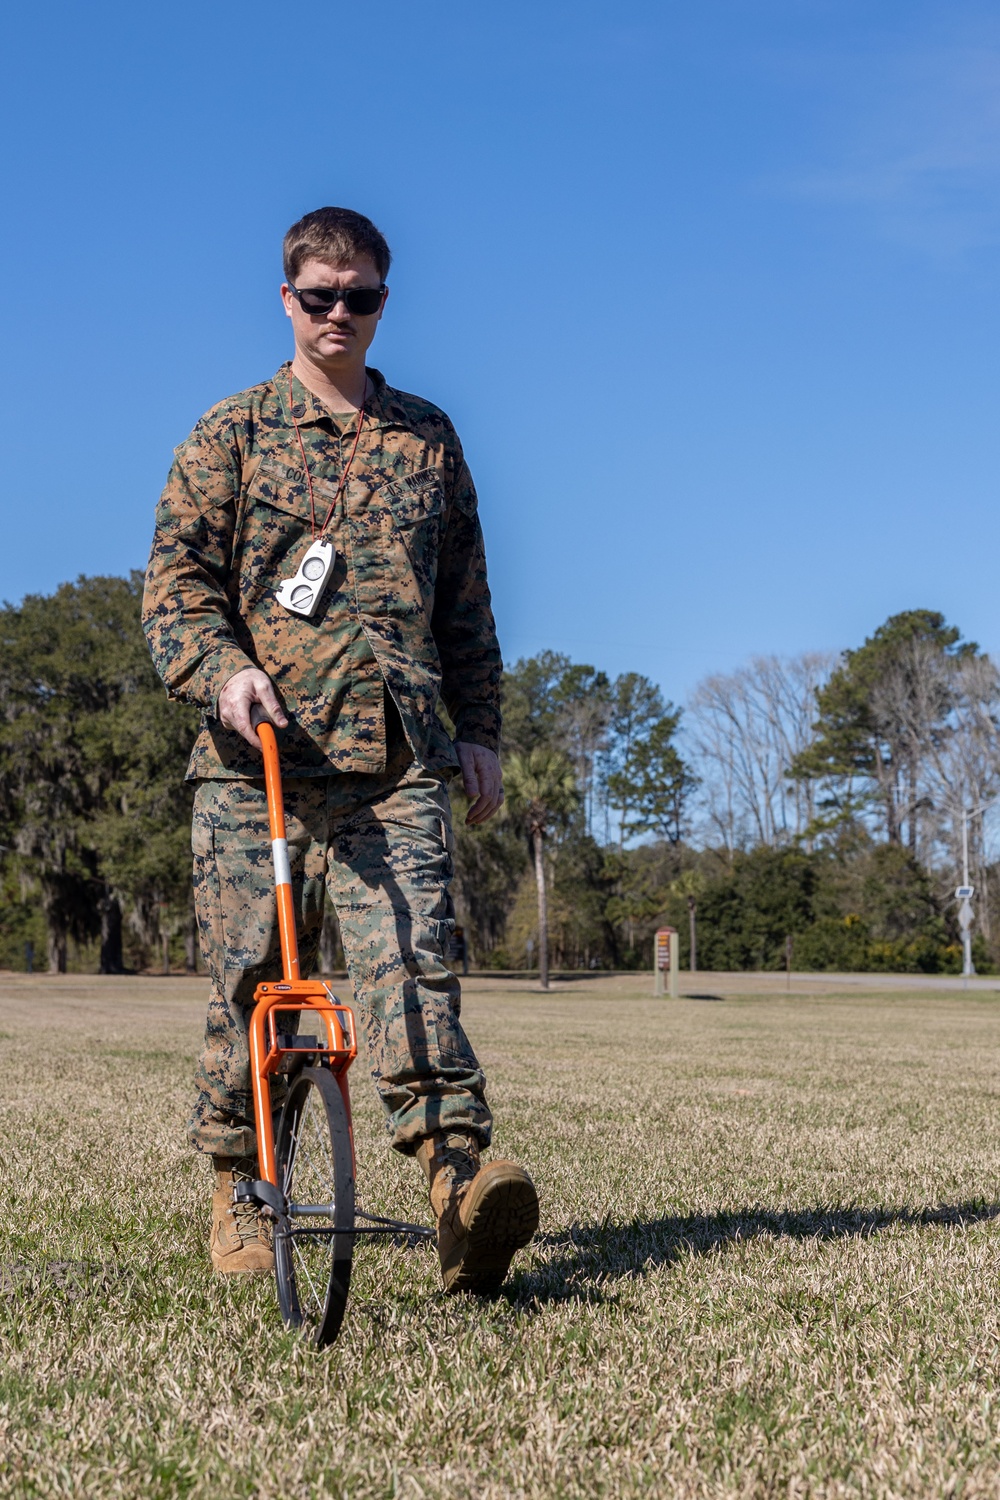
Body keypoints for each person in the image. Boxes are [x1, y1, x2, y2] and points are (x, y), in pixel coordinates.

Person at [143, 205, 538, 1293]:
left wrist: (481, 735)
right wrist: (223, 673)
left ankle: (458, 1187)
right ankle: (243, 1189)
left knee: (414, 971)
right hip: (255, 769)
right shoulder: (231, 432)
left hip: (399, 762)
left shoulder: (427, 435)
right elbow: (174, 587)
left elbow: (466, 604)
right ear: (287, 299)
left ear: (382, 303)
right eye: (319, 296)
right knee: (252, 983)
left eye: (358, 297)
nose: (338, 314)